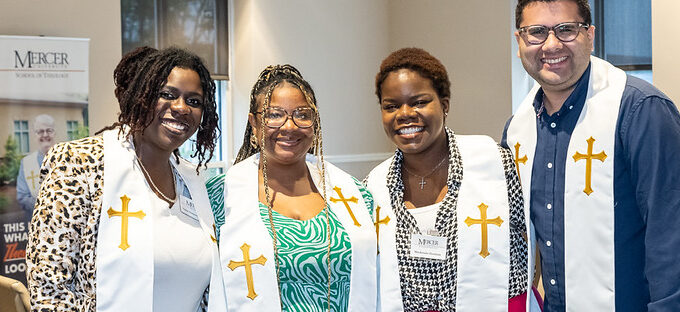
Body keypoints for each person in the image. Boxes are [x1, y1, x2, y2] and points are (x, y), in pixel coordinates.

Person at [502, 0, 680, 311]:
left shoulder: (640, 110)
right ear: (520, 41)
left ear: (590, 36)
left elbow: (675, 241)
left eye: (567, 29)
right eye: (536, 32)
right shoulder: (516, 131)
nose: (551, 45)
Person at [26, 47, 222, 311]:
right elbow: (49, 288)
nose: (181, 108)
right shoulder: (79, 164)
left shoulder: (195, 183)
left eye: (194, 101)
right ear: (141, 96)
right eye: (167, 94)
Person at [366, 47, 540, 312]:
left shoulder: (497, 164)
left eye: (419, 102)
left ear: (444, 104)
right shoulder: (372, 186)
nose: (404, 114)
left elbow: (536, 247)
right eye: (391, 106)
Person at [206, 65, 377, 311]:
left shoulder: (355, 194)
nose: (289, 126)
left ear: (314, 123)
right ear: (254, 124)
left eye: (302, 114)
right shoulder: (219, 195)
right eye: (274, 114)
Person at [16, 114, 56, 222]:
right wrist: (47, 206)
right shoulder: (26, 163)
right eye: (40, 131)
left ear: (54, 133)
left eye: (49, 130)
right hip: (36, 224)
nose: (45, 134)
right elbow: (22, 197)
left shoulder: (66, 159)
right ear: (35, 135)